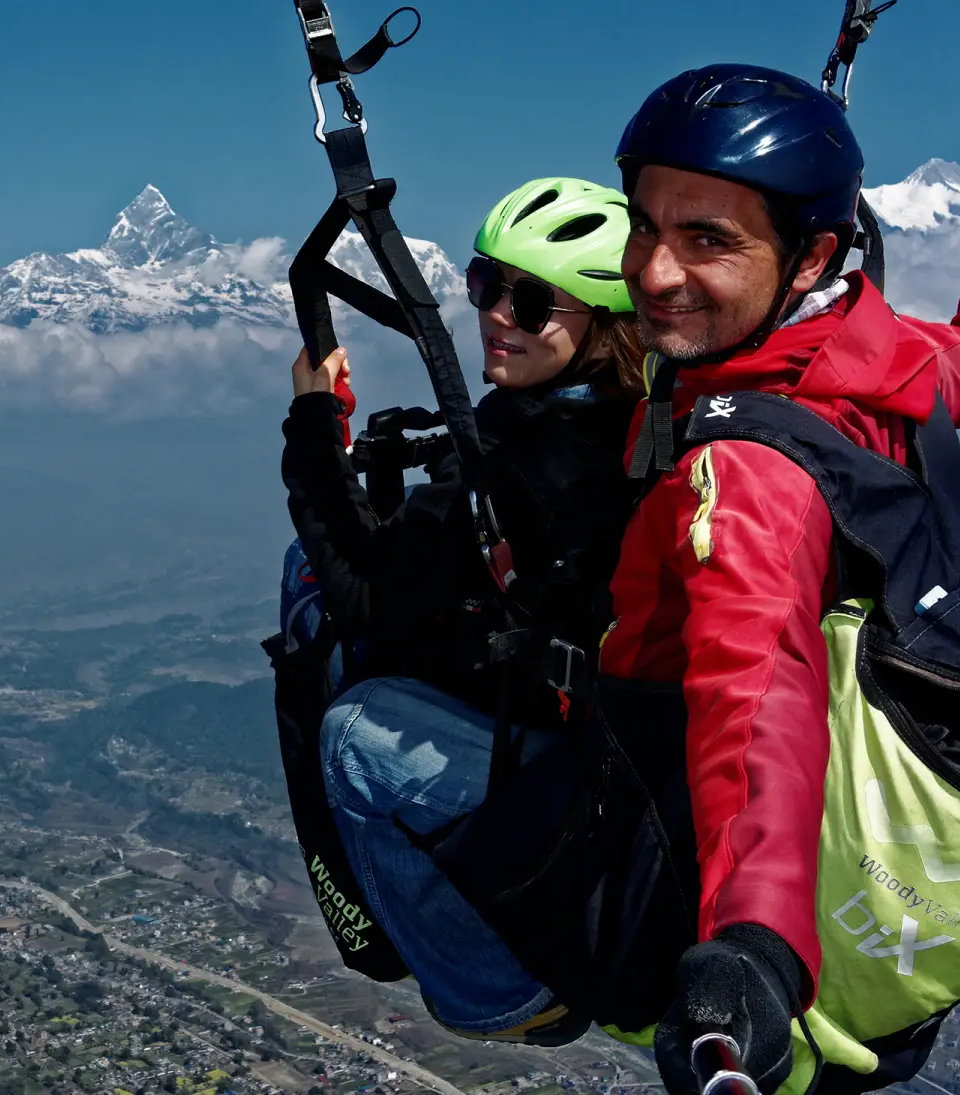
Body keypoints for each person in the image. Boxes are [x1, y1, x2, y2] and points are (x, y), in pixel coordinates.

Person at [593, 64, 960, 1095]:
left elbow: (756, 698)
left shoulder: (748, 471)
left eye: (708, 239)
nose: (653, 273)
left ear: (808, 257)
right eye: (645, 226)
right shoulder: (884, 356)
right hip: (867, 840)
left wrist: (752, 947)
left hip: (684, 827)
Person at [279, 177, 645, 1044]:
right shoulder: (632, 422)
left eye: (528, 299)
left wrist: (310, 423)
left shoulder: (513, 464)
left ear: (601, 322)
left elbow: (364, 599)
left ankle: (494, 987)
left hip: (571, 766)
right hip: (604, 744)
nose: (497, 314)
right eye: (487, 285)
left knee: (348, 723)